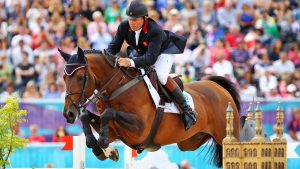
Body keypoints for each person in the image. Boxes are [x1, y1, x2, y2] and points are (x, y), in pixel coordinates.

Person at [106, 0, 196, 131]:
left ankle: (187, 110)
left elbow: (150, 59)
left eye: (135, 19)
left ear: (144, 18)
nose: (132, 22)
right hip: (142, 52)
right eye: (130, 19)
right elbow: (113, 47)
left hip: (163, 52)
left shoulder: (155, 31)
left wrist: (130, 62)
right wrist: (106, 59)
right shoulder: (124, 26)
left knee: (160, 75)